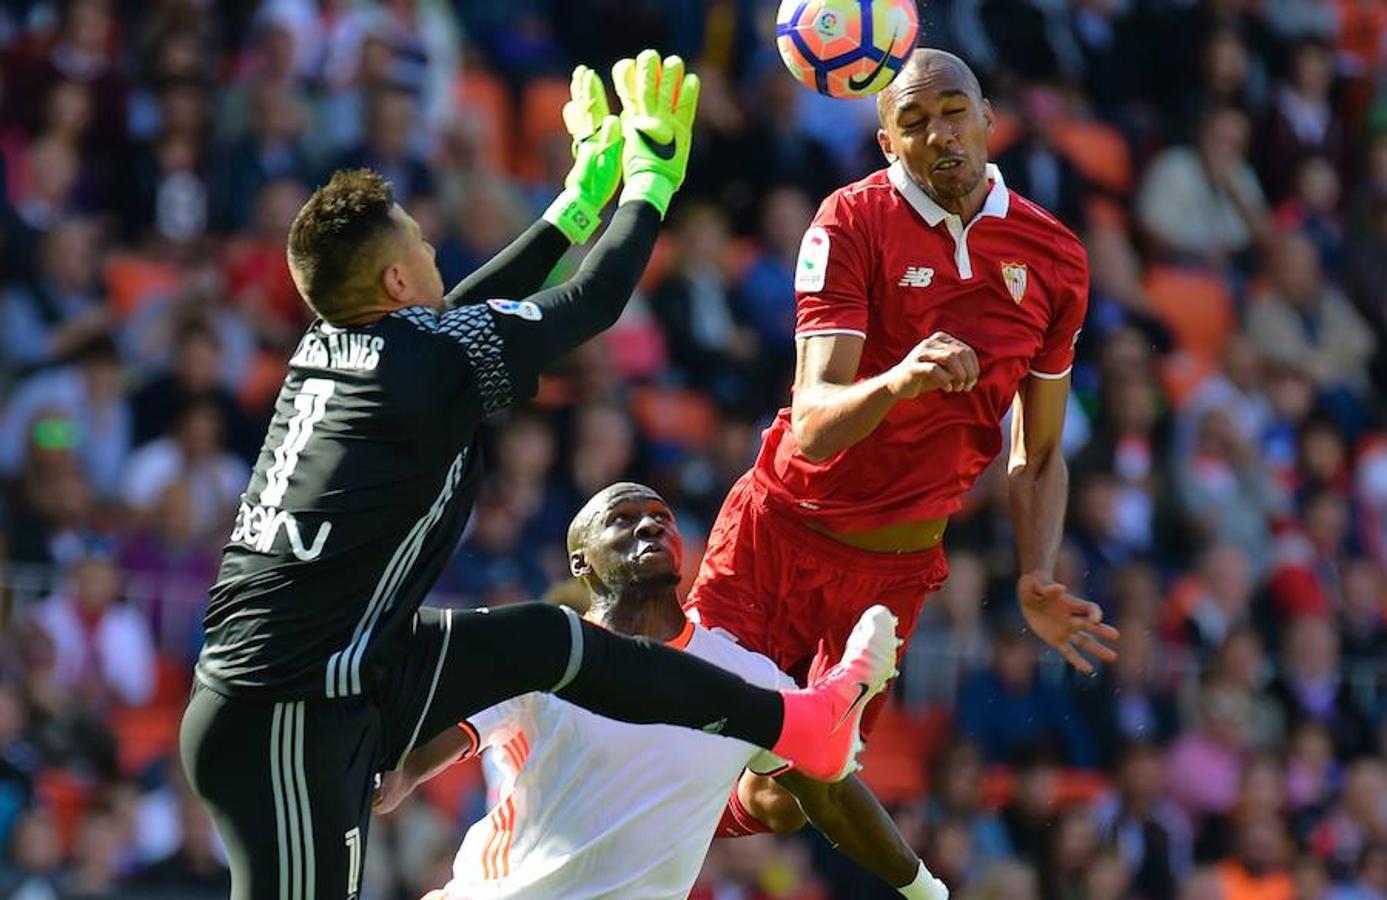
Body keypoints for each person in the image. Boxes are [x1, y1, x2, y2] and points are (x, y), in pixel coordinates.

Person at [180, 53, 894, 900]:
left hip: (342, 667)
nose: (433, 241)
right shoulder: (419, 362)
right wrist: (648, 186)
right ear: (396, 280)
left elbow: (457, 325)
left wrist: (574, 204)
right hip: (289, 712)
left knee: (544, 642)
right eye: (418, 237)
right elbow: (592, 303)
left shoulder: (341, 350)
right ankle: (799, 725)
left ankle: (801, 726)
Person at [682, 47, 1119, 834]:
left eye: (953, 111)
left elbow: (1042, 451)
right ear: (888, 145)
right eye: (912, 123)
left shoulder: (1054, 257)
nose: (939, 134)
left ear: (988, 118)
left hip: (889, 579)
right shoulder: (849, 220)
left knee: (793, 799)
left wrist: (1035, 570)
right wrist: (898, 382)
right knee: (678, 750)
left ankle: (671, 816)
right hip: (777, 537)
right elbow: (811, 422)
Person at [384, 483, 948, 899]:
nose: (649, 526)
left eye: (662, 517)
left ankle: (829, 703)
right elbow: (438, 747)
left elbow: (829, 795)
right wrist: (400, 775)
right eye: (623, 519)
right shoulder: (546, 654)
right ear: (581, 561)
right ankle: (835, 696)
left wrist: (926, 890)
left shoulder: (744, 673)